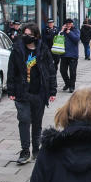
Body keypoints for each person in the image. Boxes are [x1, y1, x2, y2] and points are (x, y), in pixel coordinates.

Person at [8, 22, 58, 165]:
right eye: (24, 34)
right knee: (24, 120)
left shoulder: (43, 49)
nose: (26, 37)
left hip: (39, 92)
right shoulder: (17, 49)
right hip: (22, 92)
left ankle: (36, 148)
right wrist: (11, 90)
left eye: (29, 34)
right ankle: (25, 151)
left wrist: (52, 90)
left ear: (36, 36)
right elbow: (12, 70)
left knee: (37, 122)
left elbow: (50, 71)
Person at [58, 19, 80, 92]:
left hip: (73, 55)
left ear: (72, 24)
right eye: (67, 24)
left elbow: (76, 39)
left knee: (72, 72)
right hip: (64, 54)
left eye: (69, 24)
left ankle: (72, 86)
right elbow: (57, 39)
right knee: (62, 70)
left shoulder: (75, 30)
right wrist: (61, 30)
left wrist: (69, 32)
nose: (68, 25)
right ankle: (67, 83)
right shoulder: (63, 31)